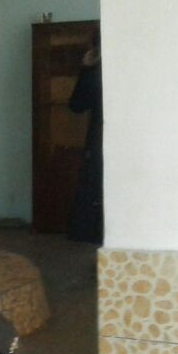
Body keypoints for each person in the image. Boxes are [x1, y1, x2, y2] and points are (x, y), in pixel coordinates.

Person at [67, 32, 103, 244]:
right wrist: (87, 69)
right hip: (100, 138)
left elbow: (77, 105)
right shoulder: (96, 71)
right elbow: (77, 105)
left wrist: (87, 69)